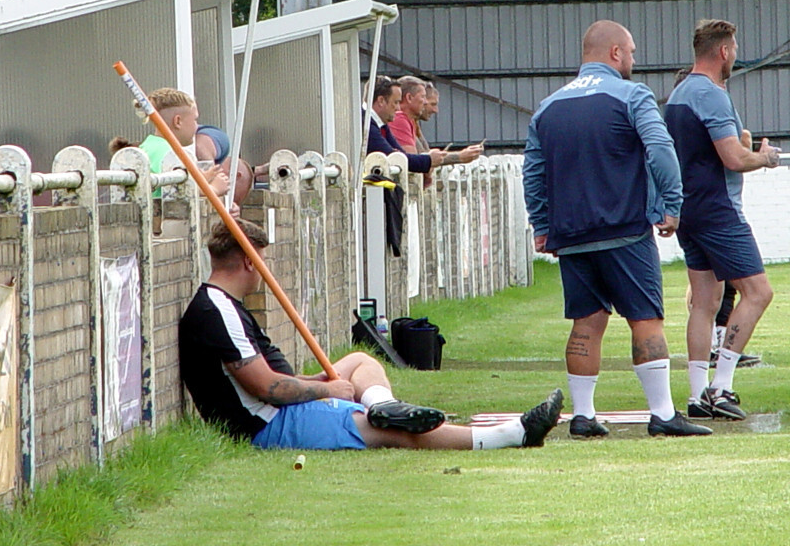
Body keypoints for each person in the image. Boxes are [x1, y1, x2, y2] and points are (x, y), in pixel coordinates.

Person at [179, 218, 565, 450]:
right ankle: (512, 435)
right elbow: (268, 388)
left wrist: (316, 382)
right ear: (250, 261)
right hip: (268, 425)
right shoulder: (217, 310)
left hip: (281, 408)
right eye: (264, 260)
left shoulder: (224, 304)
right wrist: (326, 390)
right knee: (393, 433)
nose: (267, 269)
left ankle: (384, 405)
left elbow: (270, 381)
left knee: (360, 360)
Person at [523, 19, 711, 439]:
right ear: (615, 52)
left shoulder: (547, 107)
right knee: (646, 319)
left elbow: (533, 171)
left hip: (572, 235)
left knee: (585, 323)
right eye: (631, 52)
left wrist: (542, 224)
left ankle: (583, 416)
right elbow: (660, 148)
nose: (633, 60)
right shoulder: (632, 95)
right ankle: (662, 413)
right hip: (625, 230)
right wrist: (672, 204)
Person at [664, 19, 780, 421]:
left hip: (689, 209)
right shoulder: (711, 94)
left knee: (705, 303)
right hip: (718, 210)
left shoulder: (679, 94)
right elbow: (732, 157)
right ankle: (721, 387)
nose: (735, 57)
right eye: (734, 50)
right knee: (758, 292)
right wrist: (764, 157)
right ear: (723, 52)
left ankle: (697, 394)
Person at [109, 87, 230, 200]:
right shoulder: (168, 153)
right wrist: (214, 189)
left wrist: (201, 178)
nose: (196, 126)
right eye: (194, 119)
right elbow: (182, 191)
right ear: (178, 121)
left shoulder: (149, 146)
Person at [388, 76, 483, 187]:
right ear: (409, 98)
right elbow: (415, 164)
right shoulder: (399, 120)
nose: (425, 103)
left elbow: (421, 160)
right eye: (423, 97)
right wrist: (459, 157)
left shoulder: (410, 122)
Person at [365, 76, 446, 174]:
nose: (398, 108)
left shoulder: (380, 123)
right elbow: (394, 157)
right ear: (381, 101)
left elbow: (400, 155)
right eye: (396, 102)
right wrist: (428, 160)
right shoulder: (366, 125)